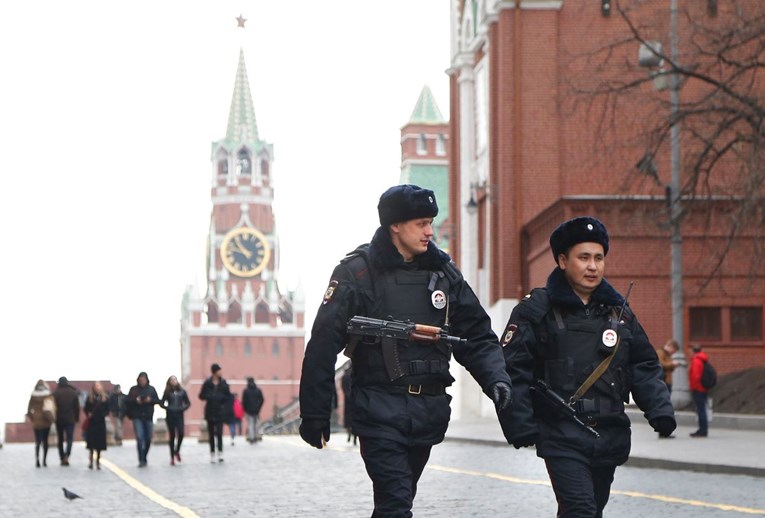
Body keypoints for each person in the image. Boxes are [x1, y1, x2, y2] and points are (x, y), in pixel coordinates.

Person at [299, 184, 513, 517]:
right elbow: (323, 344)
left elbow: (477, 335)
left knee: (397, 501)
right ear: (394, 225)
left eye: (431, 222)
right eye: (421, 223)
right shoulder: (356, 272)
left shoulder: (443, 274)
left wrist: (496, 379)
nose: (430, 231)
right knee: (396, 502)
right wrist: (314, 412)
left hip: (428, 410)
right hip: (378, 409)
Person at [500, 216, 676, 518]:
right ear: (562, 260)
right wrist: (520, 424)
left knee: (589, 510)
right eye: (584, 258)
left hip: (608, 431)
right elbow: (512, 368)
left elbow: (643, 364)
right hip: (560, 432)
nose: (593, 266)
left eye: (599, 258)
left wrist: (659, 410)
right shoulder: (536, 310)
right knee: (580, 509)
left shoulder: (619, 313)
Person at [199, 363, 232, 462]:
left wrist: (221, 399)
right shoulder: (207, 383)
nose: (220, 372)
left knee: (219, 433)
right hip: (210, 411)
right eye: (219, 370)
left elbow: (228, 396)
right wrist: (209, 396)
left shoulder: (223, 383)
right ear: (214, 372)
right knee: (211, 434)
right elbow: (201, 396)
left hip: (220, 411)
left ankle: (220, 452)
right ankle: (212, 453)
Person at [126, 371, 160, 467]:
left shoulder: (151, 389)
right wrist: (136, 400)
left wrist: (150, 400)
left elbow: (157, 400)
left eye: (144, 380)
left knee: (148, 438)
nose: (142, 381)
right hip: (137, 416)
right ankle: (141, 459)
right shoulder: (133, 390)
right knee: (140, 438)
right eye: (140, 380)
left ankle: (144, 455)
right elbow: (127, 400)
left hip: (148, 416)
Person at [160, 375, 191, 465]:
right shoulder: (167, 392)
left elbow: (188, 403)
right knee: (172, 436)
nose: (174, 381)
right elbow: (161, 403)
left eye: (175, 379)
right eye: (172, 380)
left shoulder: (182, 392)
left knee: (181, 433)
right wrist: (168, 408)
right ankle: (172, 457)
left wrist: (182, 408)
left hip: (179, 415)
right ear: (169, 382)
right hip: (170, 416)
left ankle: (177, 450)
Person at [27, 379, 56, 468]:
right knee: (45, 441)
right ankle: (44, 461)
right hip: (46, 421)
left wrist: (33, 418)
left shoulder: (33, 395)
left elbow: (29, 410)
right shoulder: (48, 394)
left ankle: (37, 460)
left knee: (38, 441)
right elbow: (51, 406)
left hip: (36, 421)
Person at [53, 376, 80, 467]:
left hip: (59, 419)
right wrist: (76, 418)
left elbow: (53, 408)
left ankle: (62, 457)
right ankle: (67, 456)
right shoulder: (73, 393)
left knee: (60, 439)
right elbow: (77, 407)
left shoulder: (56, 393)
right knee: (69, 439)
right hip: (70, 419)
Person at [83, 382, 109, 470]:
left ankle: (98, 461)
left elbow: (107, 409)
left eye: (98, 386)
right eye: (96, 386)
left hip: (100, 422)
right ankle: (90, 461)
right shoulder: (90, 397)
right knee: (91, 443)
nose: (97, 388)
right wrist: (88, 413)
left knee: (99, 444)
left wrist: (103, 414)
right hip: (92, 422)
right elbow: (85, 408)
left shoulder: (104, 398)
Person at [688, 344, 710, 438]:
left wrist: (693, 387)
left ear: (693, 351)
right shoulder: (702, 359)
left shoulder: (696, 361)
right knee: (702, 409)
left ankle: (702, 430)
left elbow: (695, 376)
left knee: (700, 410)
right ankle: (702, 429)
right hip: (703, 388)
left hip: (698, 389)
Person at [241, 377, 264, 443]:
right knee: (256, 423)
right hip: (256, 410)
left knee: (250, 424)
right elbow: (262, 399)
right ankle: (256, 435)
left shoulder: (246, 391)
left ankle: (251, 437)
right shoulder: (258, 390)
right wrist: (259, 407)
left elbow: (243, 401)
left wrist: (245, 409)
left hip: (248, 410)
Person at [341, 363, 357, 445]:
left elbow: (343, 387)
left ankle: (350, 435)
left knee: (348, 419)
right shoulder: (356, 373)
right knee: (355, 418)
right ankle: (354, 437)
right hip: (355, 399)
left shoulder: (345, 375)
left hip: (348, 400)